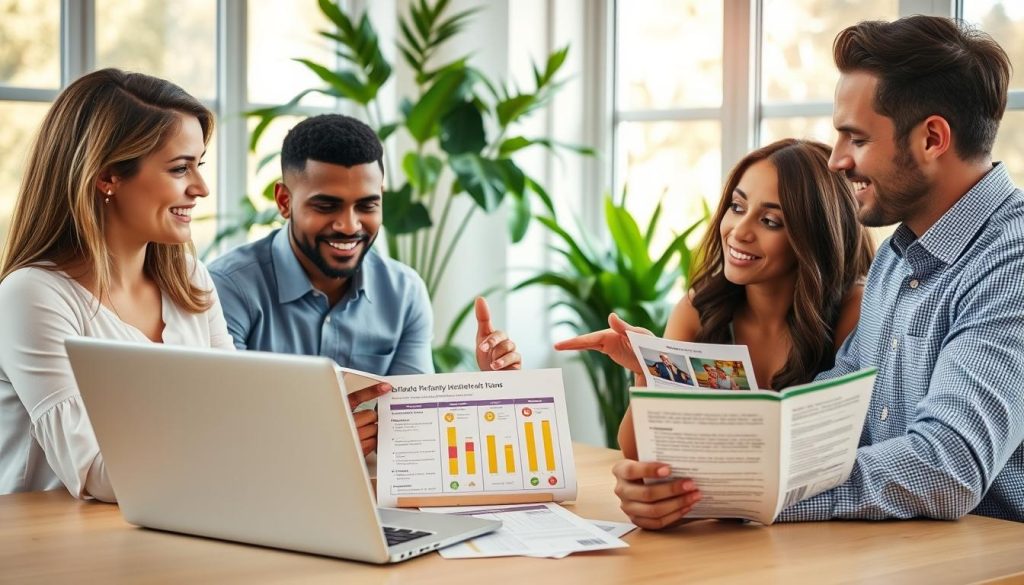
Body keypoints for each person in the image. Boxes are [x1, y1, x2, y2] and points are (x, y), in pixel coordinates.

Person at [601, 15, 1024, 528]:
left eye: (857, 139)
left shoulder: (1010, 264)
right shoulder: (898, 258)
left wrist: (745, 490)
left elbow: (946, 468)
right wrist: (682, 480)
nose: (838, 160)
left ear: (932, 138)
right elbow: (826, 417)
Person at [208, 115, 522, 453]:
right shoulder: (228, 288)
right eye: (326, 205)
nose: (348, 225)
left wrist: (491, 386)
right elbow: (220, 427)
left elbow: (414, 429)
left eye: (367, 205)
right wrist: (319, 441)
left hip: (374, 491)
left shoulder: (404, 293)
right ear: (284, 201)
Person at [557, 137, 872, 463]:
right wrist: (649, 370)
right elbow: (637, 450)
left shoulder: (856, 312)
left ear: (816, 236)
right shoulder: (701, 309)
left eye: (770, 221)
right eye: (737, 207)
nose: (739, 231)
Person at [0, 69, 231, 501]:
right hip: (51, 545)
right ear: (108, 177)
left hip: (175, 521)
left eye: (198, 165)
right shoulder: (32, 296)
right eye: (181, 168)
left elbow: (238, 413)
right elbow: (94, 472)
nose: (201, 187)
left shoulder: (188, 280)